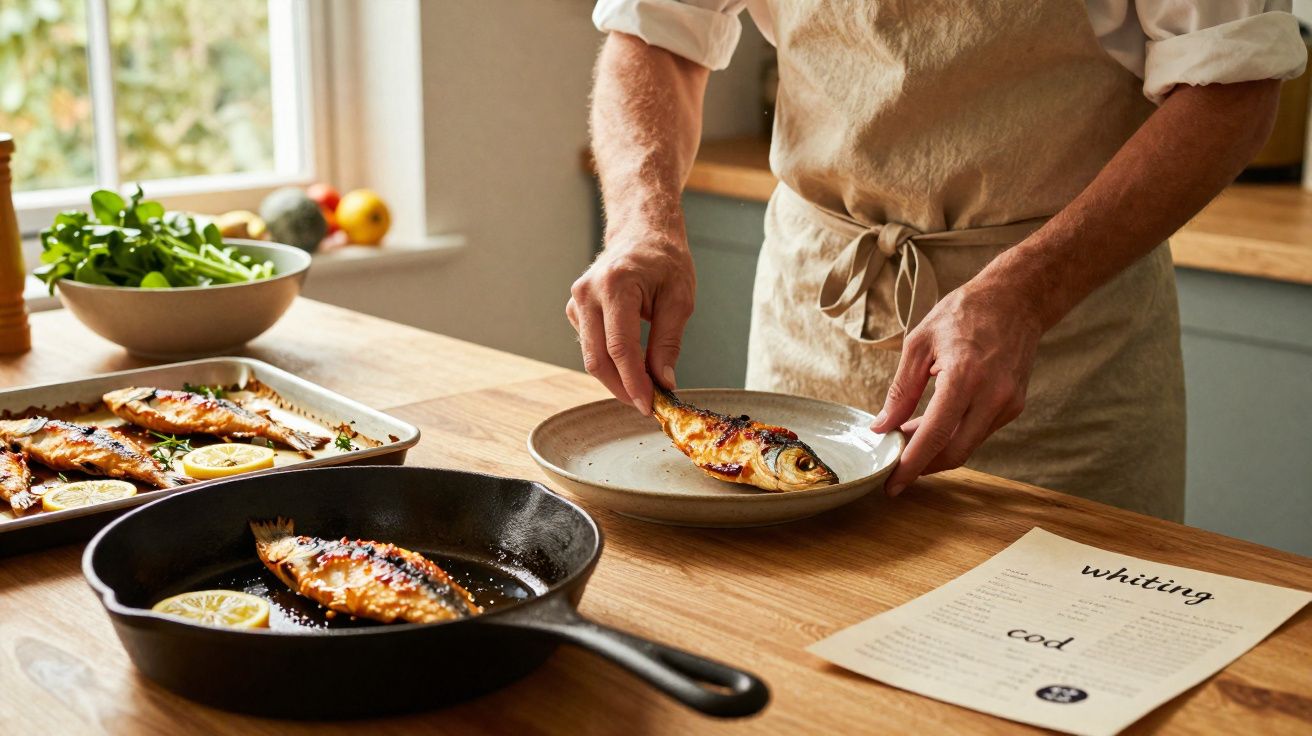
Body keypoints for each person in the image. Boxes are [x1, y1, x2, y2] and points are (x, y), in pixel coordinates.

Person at [567, 1, 1306, 520]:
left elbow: (1233, 85)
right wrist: (642, 225)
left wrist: (1029, 291)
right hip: (812, 326)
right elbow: (656, 34)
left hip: (1067, 355)